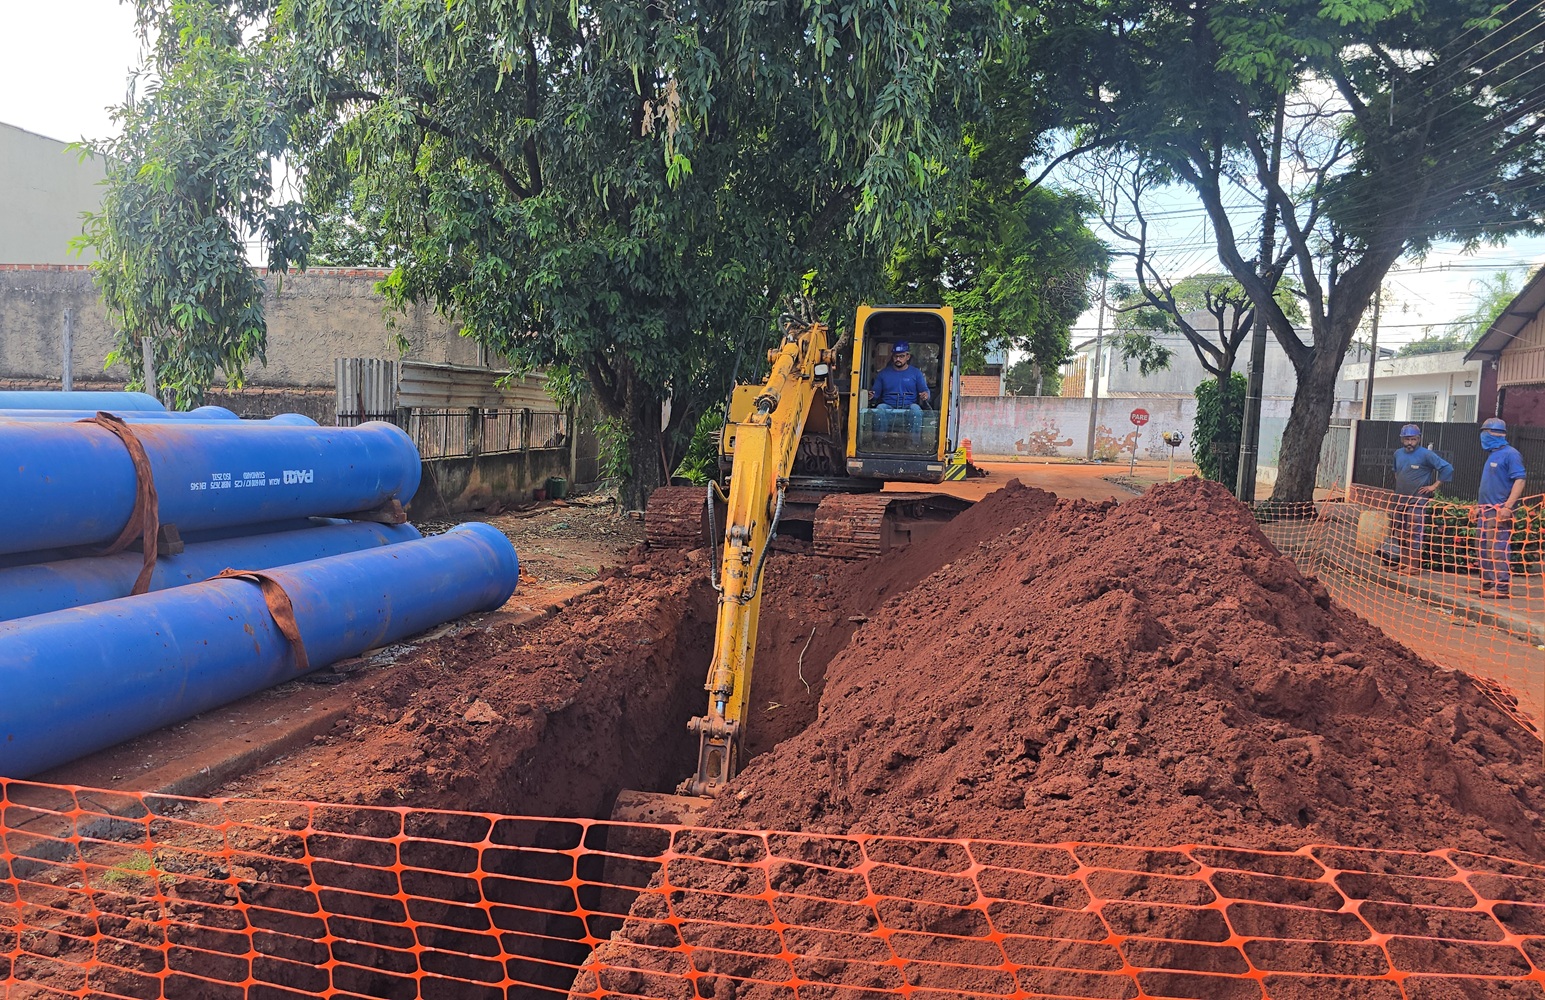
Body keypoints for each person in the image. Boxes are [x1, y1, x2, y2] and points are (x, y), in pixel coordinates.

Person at [1386, 423, 1452, 574]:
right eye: (1407, 439)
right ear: (1402, 439)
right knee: (1400, 531)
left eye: (1413, 439)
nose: (1410, 443)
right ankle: (1403, 562)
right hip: (1400, 499)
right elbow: (1396, 472)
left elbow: (1447, 468)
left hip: (1418, 499)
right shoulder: (1398, 454)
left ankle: (1414, 566)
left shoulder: (1426, 455)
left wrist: (1433, 486)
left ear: (1419, 439)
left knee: (1414, 531)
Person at [1473, 416, 1527, 600]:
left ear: (1496, 434)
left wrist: (1508, 506)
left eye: (1485, 432)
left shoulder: (1511, 454)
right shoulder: (1493, 455)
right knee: (1482, 548)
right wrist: (1479, 507)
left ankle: (1502, 587)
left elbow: (1519, 480)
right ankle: (1487, 584)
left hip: (1499, 511)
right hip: (1485, 510)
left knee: (1497, 549)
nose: (1483, 437)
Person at [868, 341, 930, 442]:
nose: (898, 359)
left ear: (908, 356)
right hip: (889, 409)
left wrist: (925, 395)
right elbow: (875, 393)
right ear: (892, 356)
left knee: (916, 410)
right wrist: (870, 395)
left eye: (901, 356)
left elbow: (925, 391)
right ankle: (879, 442)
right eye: (895, 356)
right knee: (880, 408)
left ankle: (915, 444)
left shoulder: (916, 373)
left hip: (909, 408)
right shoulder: (883, 374)